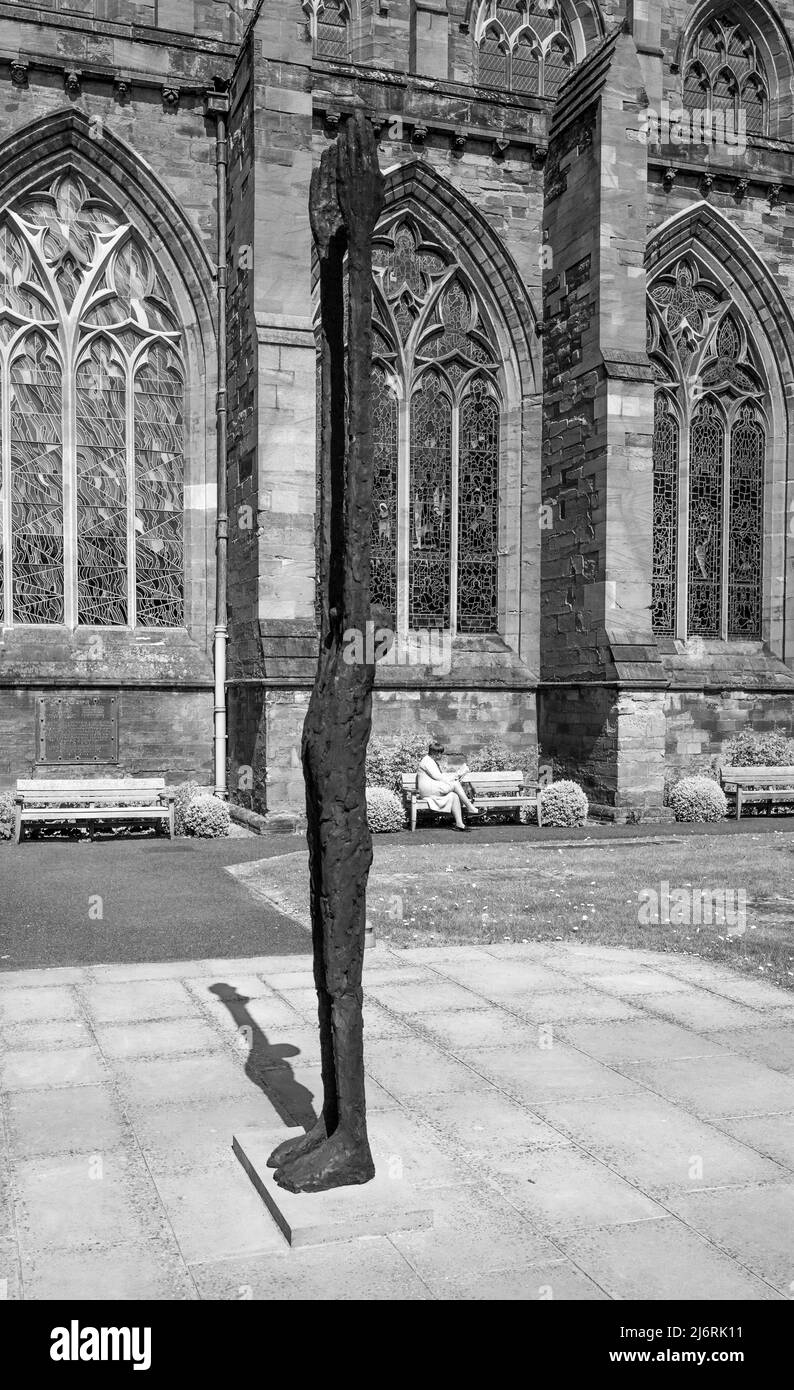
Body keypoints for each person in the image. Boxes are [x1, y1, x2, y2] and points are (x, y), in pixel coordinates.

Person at [416, 741, 479, 831]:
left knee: (454, 796)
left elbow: (440, 777)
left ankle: (459, 824)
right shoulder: (427, 762)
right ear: (435, 753)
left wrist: (458, 775)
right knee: (455, 783)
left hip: (432, 788)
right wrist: (458, 774)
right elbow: (439, 777)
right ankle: (470, 808)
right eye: (440, 753)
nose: (441, 756)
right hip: (428, 790)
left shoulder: (430, 761)